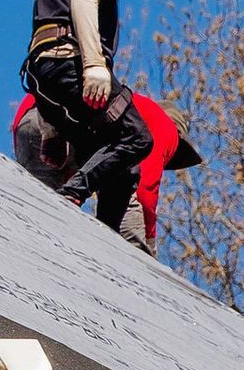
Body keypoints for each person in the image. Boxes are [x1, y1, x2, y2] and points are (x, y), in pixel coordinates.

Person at [22, 0, 178, 230]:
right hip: (69, 61)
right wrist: (94, 65)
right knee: (138, 137)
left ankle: (100, 243)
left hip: (45, 69)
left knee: (123, 170)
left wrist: (53, 130)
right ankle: (69, 198)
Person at [11, 87, 201, 253]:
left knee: (38, 216)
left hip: (32, 115)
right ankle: (136, 275)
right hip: (60, 124)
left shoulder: (127, 107)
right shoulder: (165, 128)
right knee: (131, 212)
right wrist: (150, 242)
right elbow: (145, 188)